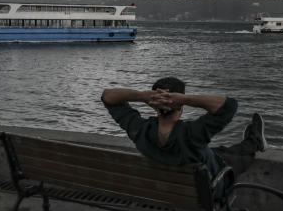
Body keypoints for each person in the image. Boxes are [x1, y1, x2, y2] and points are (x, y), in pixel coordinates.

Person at [101, 77, 267, 199]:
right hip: (209, 191)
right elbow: (230, 105)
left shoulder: (139, 131)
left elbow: (107, 96)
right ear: (180, 107)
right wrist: (185, 99)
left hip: (169, 189)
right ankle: (256, 141)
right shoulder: (193, 134)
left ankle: (253, 138)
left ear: (155, 108)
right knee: (240, 159)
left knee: (222, 151)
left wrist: (142, 96)